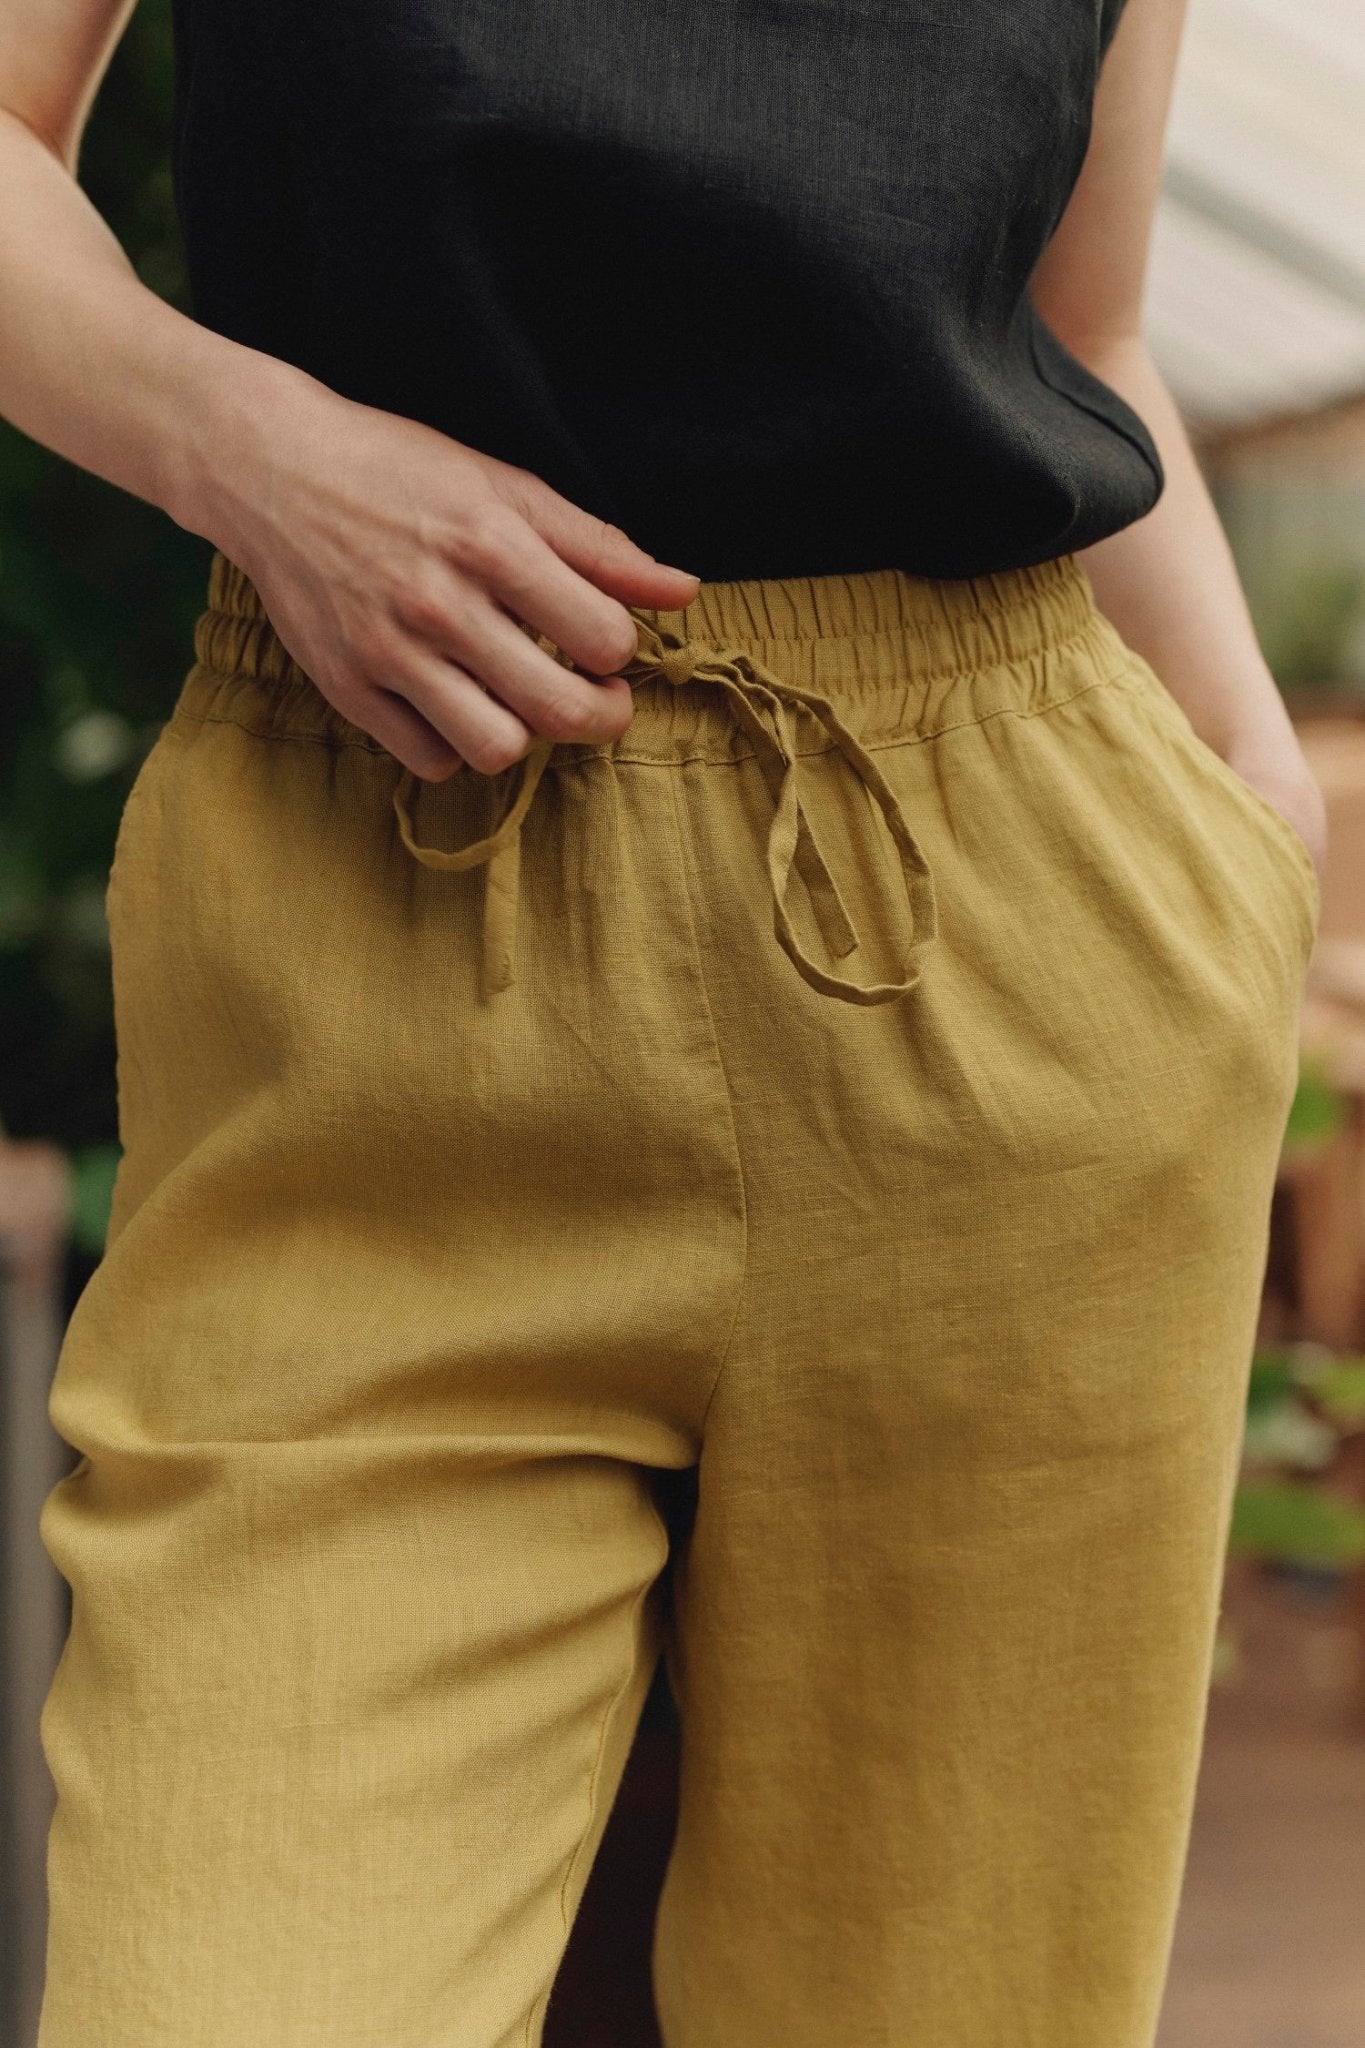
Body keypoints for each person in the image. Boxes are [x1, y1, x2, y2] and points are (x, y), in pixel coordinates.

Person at [0, 0, 1328, 2042]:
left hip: (1007, 955)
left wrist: (1251, 800)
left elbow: (1084, 332)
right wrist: (248, 452)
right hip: (378, 965)